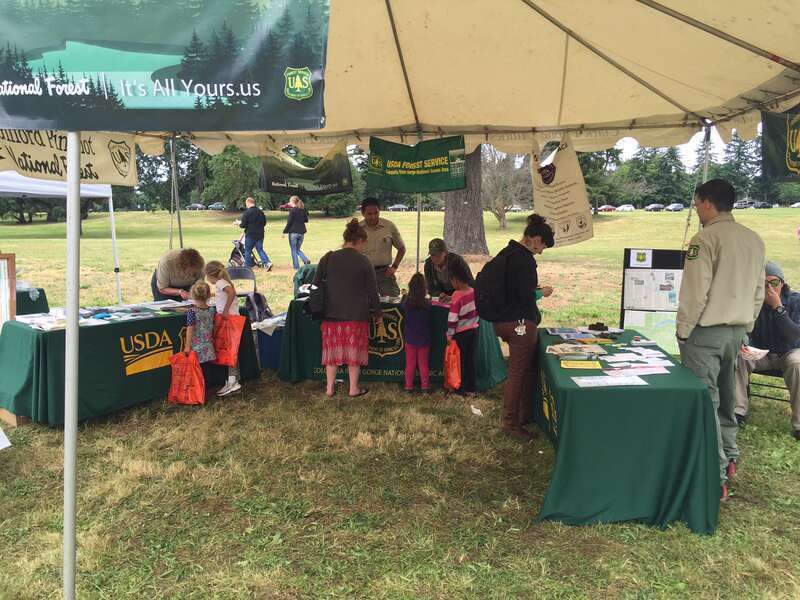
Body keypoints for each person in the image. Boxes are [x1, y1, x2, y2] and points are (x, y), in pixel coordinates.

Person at [677, 178, 766, 501]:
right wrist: (747, 324)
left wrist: (683, 330)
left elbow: (694, 292)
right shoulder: (753, 239)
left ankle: (714, 477)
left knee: (706, 402)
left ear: (706, 203)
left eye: (697, 204)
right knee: (727, 398)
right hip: (737, 330)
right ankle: (729, 456)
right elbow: (759, 290)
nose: (696, 209)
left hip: (706, 332)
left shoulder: (705, 239)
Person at [487, 214, 554, 440]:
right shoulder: (524, 260)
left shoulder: (506, 253)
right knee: (517, 373)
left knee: (524, 369)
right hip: (520, 324)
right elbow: (524, 296)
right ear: (535, 239)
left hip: (500, 321)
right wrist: (541, 293)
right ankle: (511, 422)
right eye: (542, 245)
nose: (541, 251)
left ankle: (525, 413)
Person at [314, 219, 382, 398]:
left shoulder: (328, 258)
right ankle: (353, 388)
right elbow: (373, 291)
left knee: (331, 354)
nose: (363, 247)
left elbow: (315, 284)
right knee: (354, 355)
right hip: (356, 315)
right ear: (359, 241)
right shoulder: (364, 261)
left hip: (331, 314)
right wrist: (378, 313)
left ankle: (329, 388)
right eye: (364, 243)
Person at [734, 261, 800, 440]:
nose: (769, 288)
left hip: (789, 351)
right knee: (738, 358)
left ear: (783, 284)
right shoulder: (752, 302)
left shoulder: (795, 300)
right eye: (764, 283)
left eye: (774, 282)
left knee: (798, 364)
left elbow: (794, 335)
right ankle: (738, 411)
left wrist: (778, 308)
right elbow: (743, 329)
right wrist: (744, 343)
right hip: (760, 353)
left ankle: (799, 424)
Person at [205, 261, 241, 397]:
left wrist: (225, 310)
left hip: (229, 320)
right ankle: (233, 378)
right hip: (230, 319)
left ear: (210, 275)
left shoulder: (220, 283)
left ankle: (233, 381)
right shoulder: (223, 282)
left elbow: (231, 293)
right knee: (231, 350)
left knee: (230, 351)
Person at [359, 198, 406, 297]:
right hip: (363, 274)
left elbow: (402, 248)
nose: (373, 216)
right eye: (369, 214)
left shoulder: (389, 226)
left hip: (384, 274)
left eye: (376, 213)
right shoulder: (357, 229)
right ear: (363, 213)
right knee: (364, 304)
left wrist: (394, 266)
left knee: (392, 302)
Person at [447, 260, 479, 396]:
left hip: (460, 334)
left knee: (459, 361)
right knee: (470, 360)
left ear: (456, 280)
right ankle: (471, 388)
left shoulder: (457, 295)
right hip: (473, 330)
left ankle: (459, 388)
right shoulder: (473, 292)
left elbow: (452, 318)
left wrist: (449, 334)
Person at [401, 273, 432, 393]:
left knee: (410, 364)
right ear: (425, 289)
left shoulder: (407, 303)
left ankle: (408, 386)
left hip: (410, 339)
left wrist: (405, 296)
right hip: (424, 339)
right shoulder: (427, 304)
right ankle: (425, 387)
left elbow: (401, 305)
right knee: (423, 364)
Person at [184, 280, 216, 385]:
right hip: (209, 345)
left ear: (192, 295)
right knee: (207, 369)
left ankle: (200, 389)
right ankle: (207, 387)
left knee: (199, 371)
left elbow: (190, 329)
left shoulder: (191, 312)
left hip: (196, 347)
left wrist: (187, 346)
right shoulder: (212, 310)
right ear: (208, 295)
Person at [423, 238, 474, 302]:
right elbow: (431, 287)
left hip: (459, 295)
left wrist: (454, 296)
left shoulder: (457, 262)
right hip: (441, 298)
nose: (435, 258)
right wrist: (439, 294)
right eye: (432, 255)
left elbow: (469, 283)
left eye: (438, 255)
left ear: (445, 253)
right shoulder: (428, 265)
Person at [235, 197, 272, 271]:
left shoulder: (247, 213)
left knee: (247, 250)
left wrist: (238, 223)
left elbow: (243, 225)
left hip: (250, 234)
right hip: (260, 234)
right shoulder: (260, 212)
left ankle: (248, 266)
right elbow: (264, 223)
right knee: (260, 249)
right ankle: (267, 262)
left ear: (248, 203)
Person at [283, 195, 311, 269]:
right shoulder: (302, 210)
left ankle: (296, 266)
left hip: (293, 233)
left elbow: (289, 222)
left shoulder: (292, 211)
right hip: (301, 233)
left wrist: (284, 231)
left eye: (290, 201)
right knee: (297, 249)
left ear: (292, 202)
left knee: (293, 250)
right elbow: (306, 220)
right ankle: (306, 260)